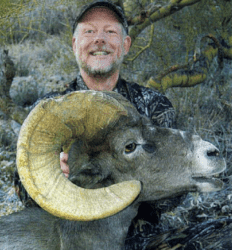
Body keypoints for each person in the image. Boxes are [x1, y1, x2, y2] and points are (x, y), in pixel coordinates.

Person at [14, 0, 176, 206]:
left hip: (145, 235)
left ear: (126, 45)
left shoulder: (155, 106)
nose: (100, 39)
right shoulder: (47, 109)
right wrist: (51, 174)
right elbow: (23, 191)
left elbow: (175, 189)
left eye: (110, 32)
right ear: (74, 45)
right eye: (89, 32)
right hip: (71, 233)